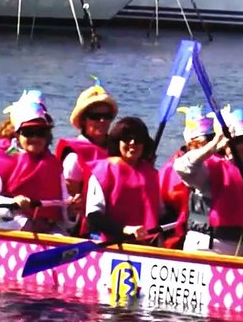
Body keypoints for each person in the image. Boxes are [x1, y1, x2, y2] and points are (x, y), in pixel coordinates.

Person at [174, 105, 243, 257]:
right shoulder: (211, 168)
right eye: (238, 141)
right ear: (227, 144)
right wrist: (213, 146)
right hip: (206, 248)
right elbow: (182, 168)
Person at [0, 91, 71, 234]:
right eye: (28, 132)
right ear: (17, 135)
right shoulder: (2, 162)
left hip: (47, 231)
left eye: (41, 132)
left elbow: (64, 211)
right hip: (10, 228)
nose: (35, 138)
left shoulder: (54, 165)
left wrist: (72, 211)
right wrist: (12, 203)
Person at [85, 116, 162, 244]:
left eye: (138, 139)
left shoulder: (152, 174)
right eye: (126, 138)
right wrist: (124, 230)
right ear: (118, 141)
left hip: (147, 245)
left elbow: (160, 212)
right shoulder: (103, 172)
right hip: (112, 245)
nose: (132, 143)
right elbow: (93, 217)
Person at [159, 105, 215, 250]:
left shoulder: (217, 163)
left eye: (213, 139)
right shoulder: (171, 169)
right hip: (174, 237)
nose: (211, 145)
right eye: (207, 140)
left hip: (207, 233)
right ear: (191, 143)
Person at [57, 77, 118, 201]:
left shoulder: (118, 149)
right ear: (83, 120)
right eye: (95, 116)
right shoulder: (74, 158)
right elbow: (70, 200)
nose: (102, 121)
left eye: (107, 116)